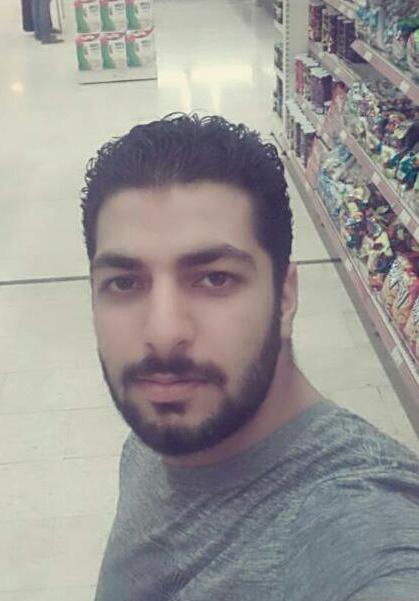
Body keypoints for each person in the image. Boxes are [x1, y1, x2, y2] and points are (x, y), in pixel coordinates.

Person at [80, 113, 419, 601]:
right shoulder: (153, 442)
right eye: (124, 283)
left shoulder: (358, 515)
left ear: (285, 296)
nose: (163, 334)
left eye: (214, 278)